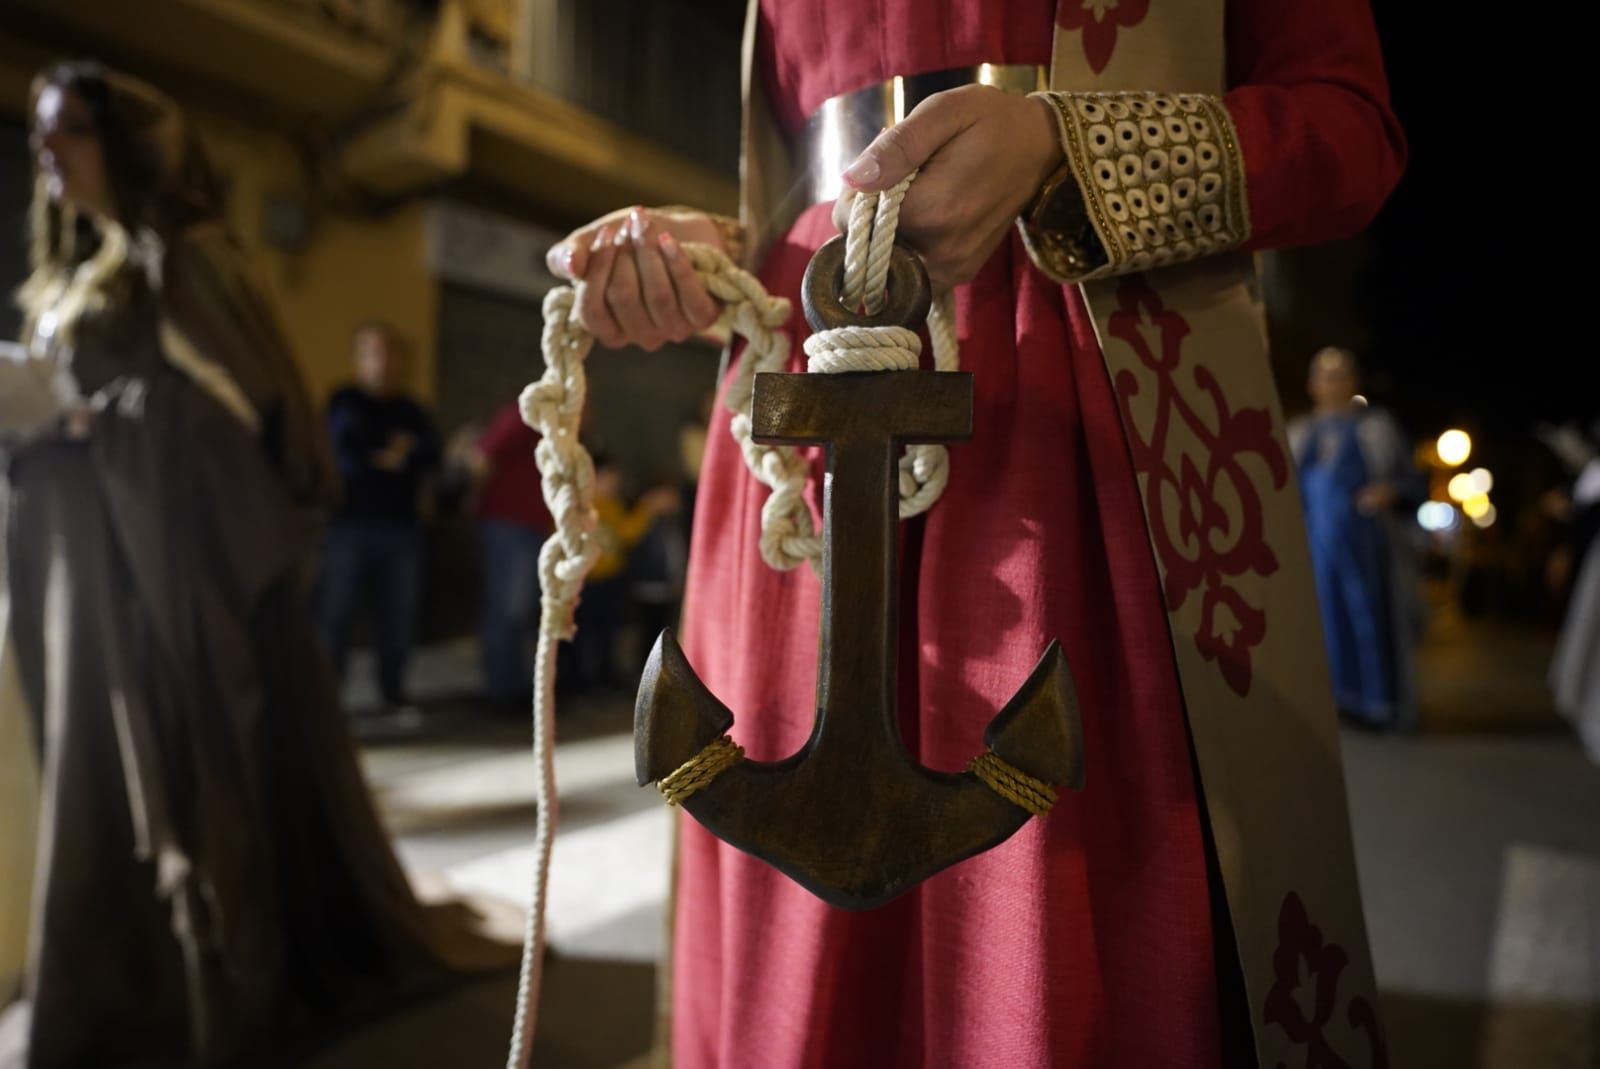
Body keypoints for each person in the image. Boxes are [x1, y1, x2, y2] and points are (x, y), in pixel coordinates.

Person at [544, 1, 1406, 1065]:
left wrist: (1063, 143)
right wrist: (708, 252)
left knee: (1056, 916)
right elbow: (798, 178)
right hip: (802, 395)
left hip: (1081, 410)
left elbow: (1348, 133)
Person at [0, 62, 507, 1068]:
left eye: (72, 132)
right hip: (92, 571)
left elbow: (257, 427)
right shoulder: (77, 270)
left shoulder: (186, 260)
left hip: (173, 578)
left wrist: (92, 424)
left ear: (132, 146)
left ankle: (208, 972)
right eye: (41, 134)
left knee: (190, 764)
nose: (47, 151)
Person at [1288, 346, 1423, 729]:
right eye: (1325, 376)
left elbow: (1409, 481)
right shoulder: (1299, 433)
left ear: (1354, 381)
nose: (1333, 383)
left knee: (1366, 616)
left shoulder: (1377, 429)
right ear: (1312, 384)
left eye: (1341, 374)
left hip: (1363, 544)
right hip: (1313, 544)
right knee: (1317, 621)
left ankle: (1374, 702)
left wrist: (1389, 492)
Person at [317, 321, 441, 715]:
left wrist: (390, 457)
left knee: (398, 615)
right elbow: (343, 458)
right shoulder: (342, 402)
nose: (382, 360)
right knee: (334, 613)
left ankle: (393, 693)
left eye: (390, 351)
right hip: (347, 526)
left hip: (402, 528)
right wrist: (393, 456)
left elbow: (430, 457)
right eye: (373, 351)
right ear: (358, 358)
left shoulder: (412, 409)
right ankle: (325, 699)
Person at [461, 400, 552, 707]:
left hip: (533, 528)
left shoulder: (558, 425)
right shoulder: (524, 413)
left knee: (524, 611)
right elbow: (481, 457)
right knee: (509, 608)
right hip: (509, 526)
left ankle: (514, 685)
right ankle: (502, 690)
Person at [576, 454, 678, 691]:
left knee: (607, 632)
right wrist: (647, 509)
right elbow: (625, 534)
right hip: (587, 580)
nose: (614, 483)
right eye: (608, 478)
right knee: (585, 633)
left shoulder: (613, 506)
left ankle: (605, 675)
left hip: (611, 579)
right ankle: (583, 679)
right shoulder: (582, 507)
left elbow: (626, 534)